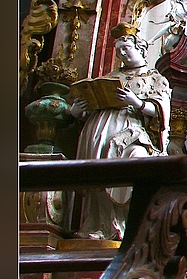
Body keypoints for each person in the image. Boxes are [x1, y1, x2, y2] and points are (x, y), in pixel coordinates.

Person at [69, 23, 171, 240]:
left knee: (133, 164)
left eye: (127, 48)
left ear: (140, 49)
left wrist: (136, 102)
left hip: (130, 129)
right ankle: (98, 224)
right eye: (119, 51)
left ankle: (123, 226)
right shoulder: (111, 77)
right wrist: (78, 111)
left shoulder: (154, 78)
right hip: (99, 127)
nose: (122, 54)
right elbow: (94, 103)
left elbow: (161, 110)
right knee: (98, 175)